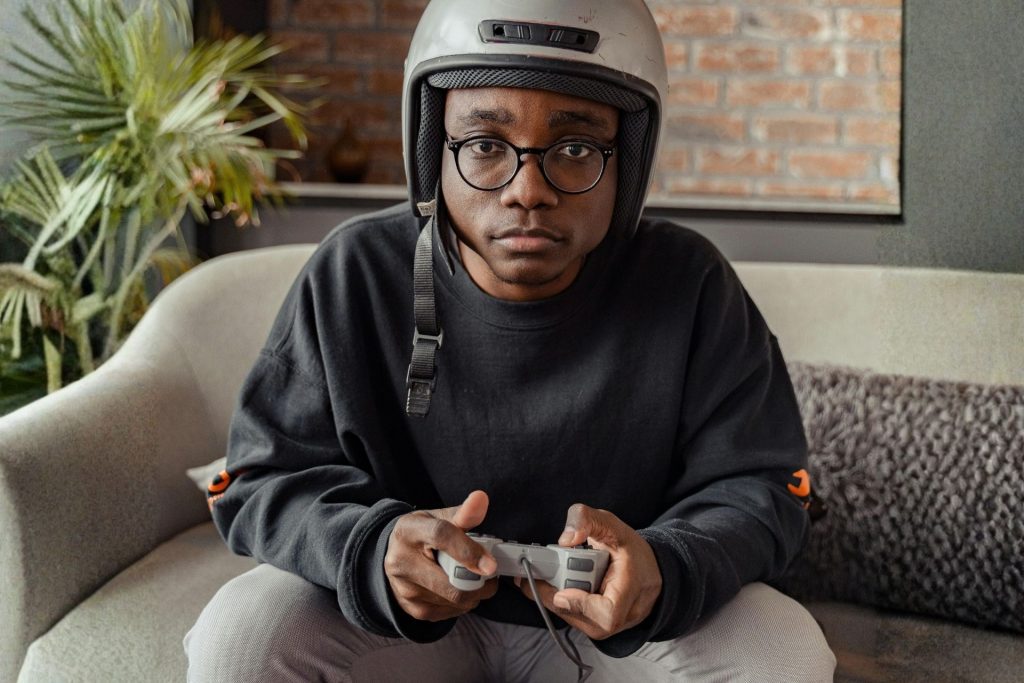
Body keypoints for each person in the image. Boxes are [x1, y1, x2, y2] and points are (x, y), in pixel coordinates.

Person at [185, 1, 836, 680]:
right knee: (241, 637)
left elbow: (767, 488)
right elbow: (261, 476)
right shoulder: (354, 273)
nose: (528, 190)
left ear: (629, 159)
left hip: (616, 634)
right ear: (433, 147)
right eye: (486, 146)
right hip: (407, 633)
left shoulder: (692, 283)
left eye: (576, 148)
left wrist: (665, 568)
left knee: (784, 650)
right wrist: (371, 549)